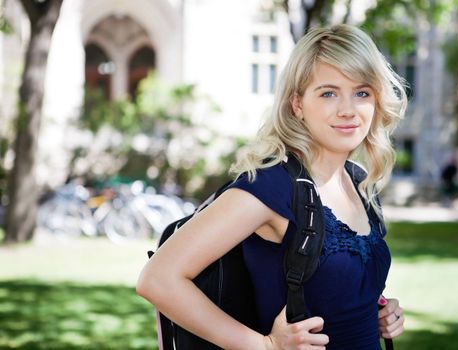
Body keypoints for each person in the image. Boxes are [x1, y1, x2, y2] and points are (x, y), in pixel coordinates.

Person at [137, 24, 407, 350]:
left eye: (362, 92)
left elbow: (337, 287)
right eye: (328, 93)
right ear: (297, 105)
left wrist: (377, 310)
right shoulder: (272, 185)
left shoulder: (360, 182)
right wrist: (265, 346)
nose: (348, 109)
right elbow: (158, 279)